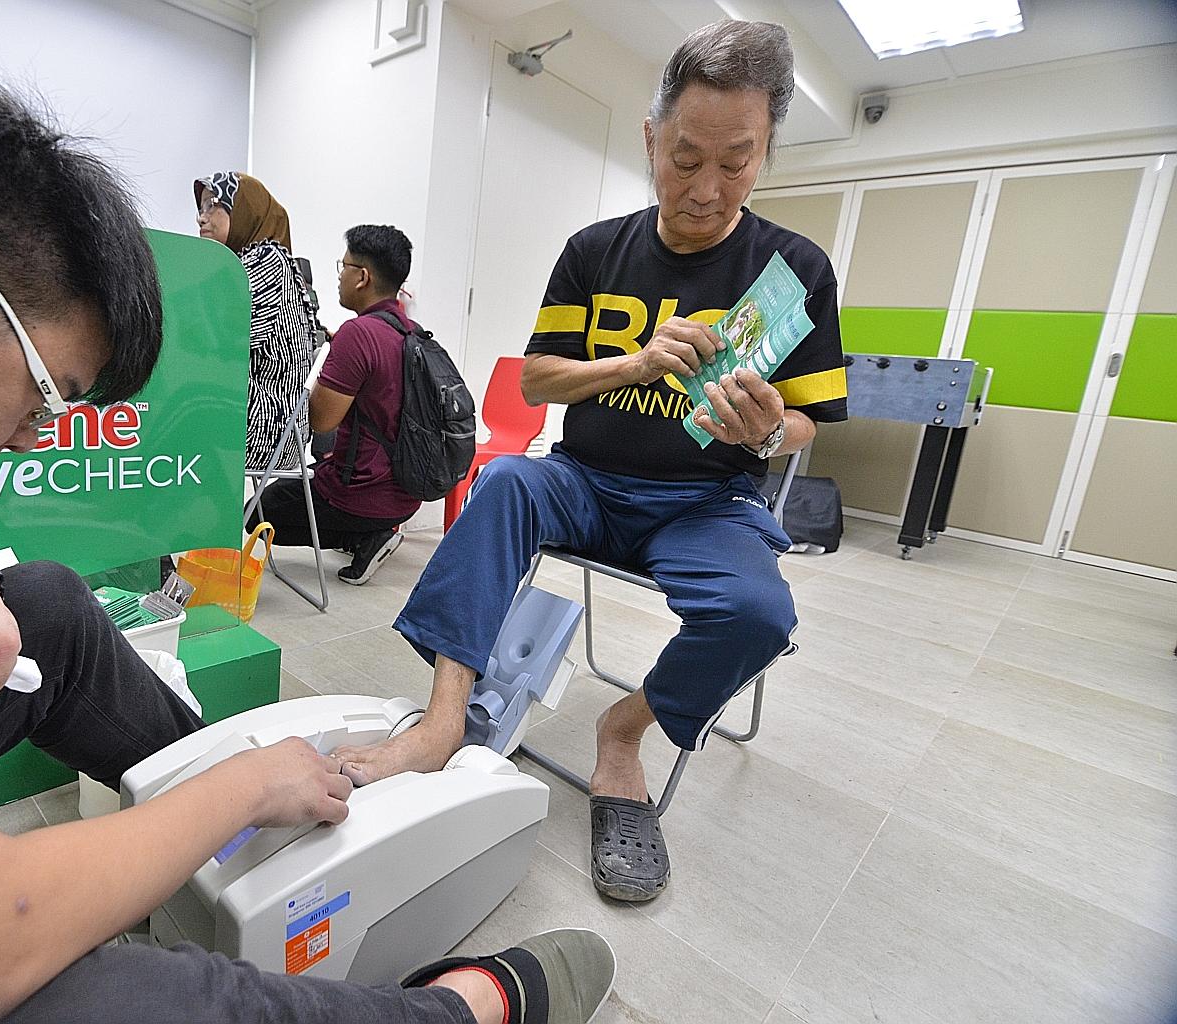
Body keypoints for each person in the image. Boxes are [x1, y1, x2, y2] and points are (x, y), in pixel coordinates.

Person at [0, 63, 618, 1024]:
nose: (30, 437)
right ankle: (461, 1008)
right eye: (43, 395)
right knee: (137, 993)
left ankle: (245, 856)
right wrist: (241, 785)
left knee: (49, 610)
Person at [333, 20, 849, 904]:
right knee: (502, 483)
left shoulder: (794, 271)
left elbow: (808, 425)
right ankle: (443, 721)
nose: (708, 189)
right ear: (652, 137)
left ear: (767, 154)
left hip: (705, 500)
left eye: (738, 162)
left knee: (759, 612)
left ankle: (624, 733)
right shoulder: (595, 251)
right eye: (686, 158)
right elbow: (537, 381)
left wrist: (765, 431)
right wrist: (636, 362)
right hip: (584, 482)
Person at [248, 224, 422, 585]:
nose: (339, 276)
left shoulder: (357, 333)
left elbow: (322, 421)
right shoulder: (409, 330)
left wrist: (318, 372)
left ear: (362, 277)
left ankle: (361, 536)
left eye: (343, 267)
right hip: (406, 491)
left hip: (360, 493)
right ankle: (369, 532)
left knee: (258, 513)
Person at [194, 171, 319, 472]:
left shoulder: (266, 259)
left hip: (268, 429)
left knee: (151, 423)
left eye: (213, 204)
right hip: (268, 422)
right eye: (200, 208)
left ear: (243, 210)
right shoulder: (247, 262)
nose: (201, 218)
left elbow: (217, 340)